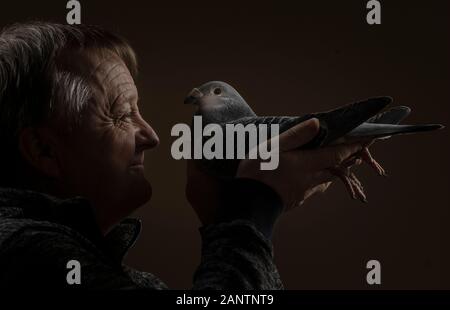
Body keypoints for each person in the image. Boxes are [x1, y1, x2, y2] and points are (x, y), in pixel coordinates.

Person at [0, 22, 364, 289]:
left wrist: (225, 222)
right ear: (44, 150)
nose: (153, 136)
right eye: (122, 114)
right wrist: (248, 219)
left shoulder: (113, 274)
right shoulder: (29, 254)